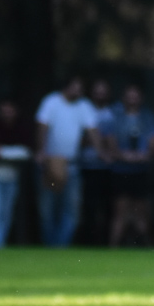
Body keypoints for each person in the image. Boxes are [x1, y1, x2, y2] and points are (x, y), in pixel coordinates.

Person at [36, 77, 98, 247]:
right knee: (48, 211)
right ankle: (50, 246)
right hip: (52, 163)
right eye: (76, 88)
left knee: (72, 212)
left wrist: (102, 152)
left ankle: (60, 246)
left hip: (72, 166)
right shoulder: (51, 102)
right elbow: (43, 126)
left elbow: (93, 131)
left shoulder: (84, 105)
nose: (79, 92)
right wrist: (41, 150)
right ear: (67, 87)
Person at [102, 85, 154, 247]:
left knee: (142, 212)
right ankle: (113, 249)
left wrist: (142, 156)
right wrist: (123, 156)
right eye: (129, 96)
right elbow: (110, 142)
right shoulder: (115, 116)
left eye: (136, 96)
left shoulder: (148, 117)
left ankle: (149, 249)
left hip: (141, 171)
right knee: (120, 211)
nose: (132, 99)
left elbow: (153, 145)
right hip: (120, 171)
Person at [0, 99, 34, 249]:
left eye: (10, 111)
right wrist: (11, 152)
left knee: (6, 213)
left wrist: (2, 152)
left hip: (10, 177)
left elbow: (26, 153)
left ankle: (0, 244)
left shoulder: (21, 127)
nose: (8, 114)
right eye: (4, 111)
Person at [80, 79, 118, 245]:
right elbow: (80, 140)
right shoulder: (83, 111)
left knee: (108, 208)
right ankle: (89, 242)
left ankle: (105, 242)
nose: (100, 94)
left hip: (108, 168)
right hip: (88, 166)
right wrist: (99, 140)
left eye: (103, 91)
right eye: (97, 91)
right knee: (89, 208)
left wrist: (96, 140)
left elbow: (114, 141)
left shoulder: (113, 113)